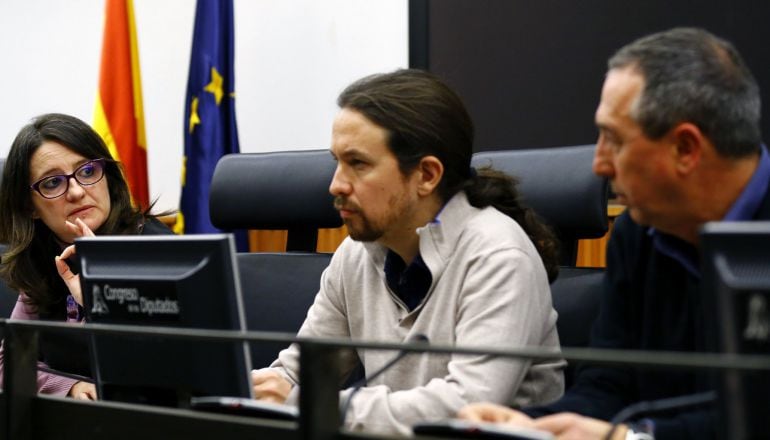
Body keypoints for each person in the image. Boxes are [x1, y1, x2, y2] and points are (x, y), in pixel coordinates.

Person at [458, 27, 770, 440]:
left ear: (685, 149)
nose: (599, 164)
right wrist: (533, 427)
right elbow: (608, 386)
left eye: (614, 139)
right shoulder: (640, 231)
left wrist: (627, 438)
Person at [249, 69, 565, 435]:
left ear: (427, 175)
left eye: (358, 164)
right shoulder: (356, 252)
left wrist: (303, 404)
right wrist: (244, 390)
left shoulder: (499, 256)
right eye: (336, 161)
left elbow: (466, 407)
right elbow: (296, 374)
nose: (336, 184)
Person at [0, 113, 171, 400]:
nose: (77, 191)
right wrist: (69, 387)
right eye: (53, 183)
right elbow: (8, 363)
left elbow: (173, 371)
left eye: (88, 171)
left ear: (108, 176)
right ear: (29, 206)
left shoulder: (157, 252)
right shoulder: (44, 259)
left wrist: (102, 299)